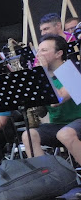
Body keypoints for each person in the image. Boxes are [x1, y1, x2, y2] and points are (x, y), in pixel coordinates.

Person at [22, 34, 81, 163]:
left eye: (44, 50)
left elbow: (57, 101)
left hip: (77, 120)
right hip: (57, 124)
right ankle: (46, 177)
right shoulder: (40, 77)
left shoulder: (71, 71)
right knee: (28, 135)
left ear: (58, 53)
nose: (38, 54)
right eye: (38, 50)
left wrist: (42, 73)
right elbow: (42, 112)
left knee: (64, 134)